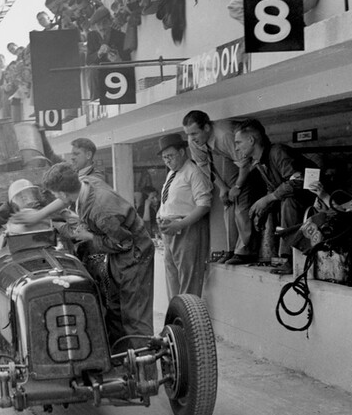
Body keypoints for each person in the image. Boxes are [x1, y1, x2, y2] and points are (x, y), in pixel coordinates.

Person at [42, 163, 155, 342]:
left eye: (56, 195)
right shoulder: (87, 182)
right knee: (115, 308)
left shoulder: (103, 212)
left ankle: (145, 364)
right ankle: (121, 356)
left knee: (135, 316)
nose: (56, 198)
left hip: (136, 254)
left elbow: (124, 243)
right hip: (118, 254)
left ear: (63, 194)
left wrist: (89, 236)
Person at [233, 119, 318, 274]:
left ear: (251, 140)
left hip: (315, 199)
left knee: (288, 201)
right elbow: (276, 190)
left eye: (238, 142)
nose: (236, 148)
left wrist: (267, 199)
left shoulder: (277, 152)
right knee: (267, 208)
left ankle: (290, 259)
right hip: (297, 200)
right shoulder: (259, 162)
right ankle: (271, 256)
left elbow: (297, 181)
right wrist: (264, 208)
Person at [182, 110, 258, 264]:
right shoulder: (194, 141)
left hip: (251, 159)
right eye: (188, 134)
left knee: (241, 204)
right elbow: (204, 166)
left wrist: (237, 186)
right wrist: (223, 188)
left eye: (194, 133)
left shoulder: (224, 136)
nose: (192, 138)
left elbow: (245, 165)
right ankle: (231, 250)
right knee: (227, 203)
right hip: (232, 157)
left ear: (207, 128)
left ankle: (244, 251)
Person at [156, 133, 212, 298]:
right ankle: (175, 318)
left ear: (182, 152)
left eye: (170, 156)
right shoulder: (172, 174)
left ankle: (187, 320)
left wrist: (179, 225)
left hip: (187, 229)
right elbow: (169, 201)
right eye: (164, 158)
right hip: (169, 231)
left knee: (188, 280)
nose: (167, 161)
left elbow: (204, 205)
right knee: (172, 277)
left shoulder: (193, 172)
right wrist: (161, 215)